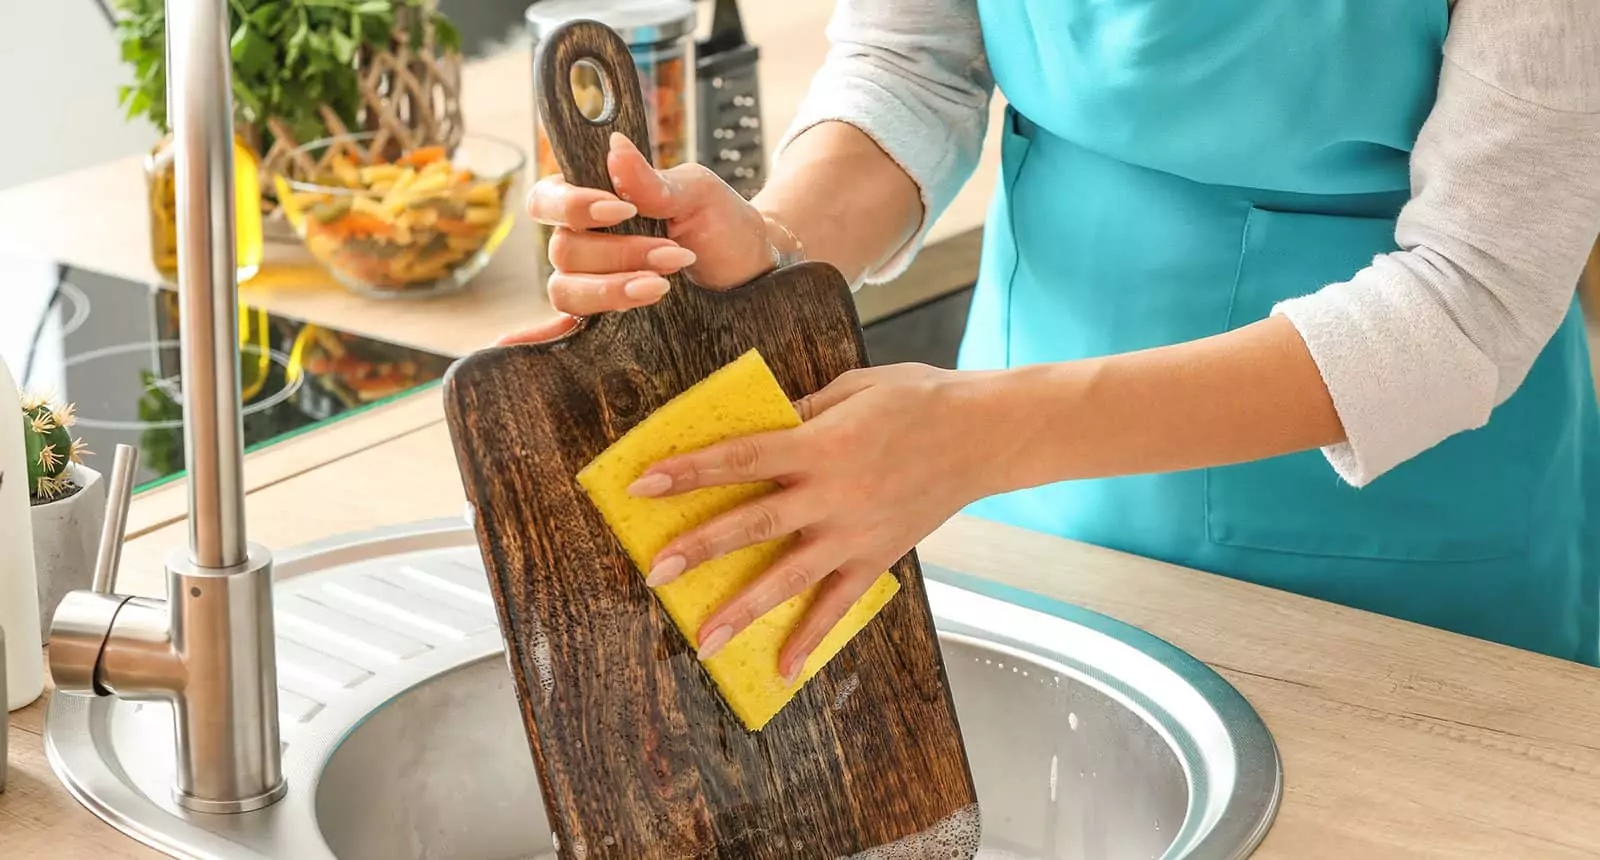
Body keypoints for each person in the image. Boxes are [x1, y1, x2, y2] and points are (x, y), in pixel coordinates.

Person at [511, 0, 1600, 680]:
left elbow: (1473, 295)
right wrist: (776, 246)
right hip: (1012, 502)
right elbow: (915, 60)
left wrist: (984, 433)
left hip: (1405, 553)